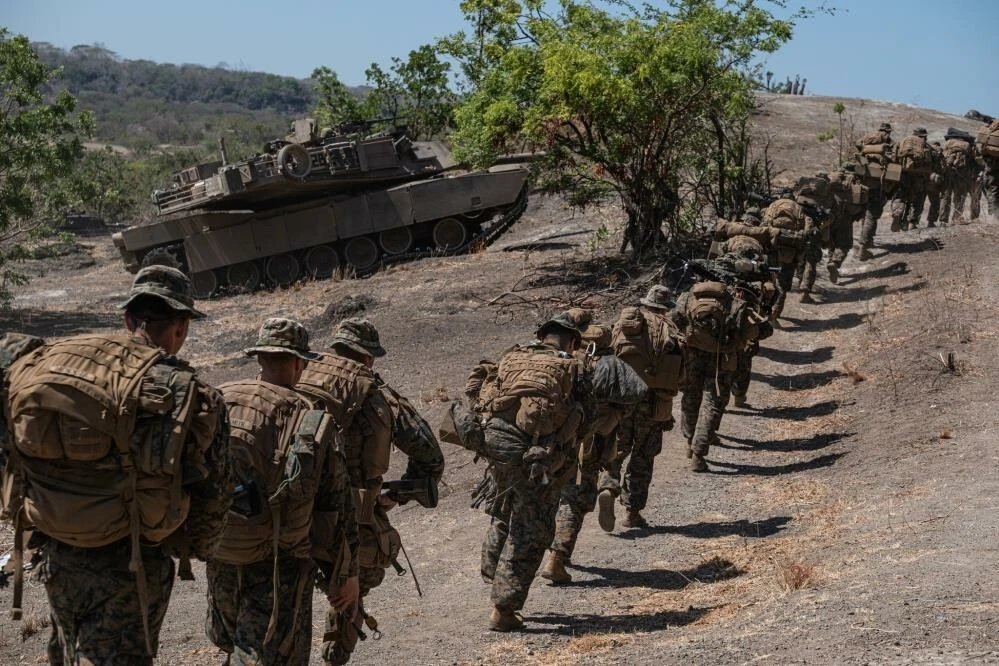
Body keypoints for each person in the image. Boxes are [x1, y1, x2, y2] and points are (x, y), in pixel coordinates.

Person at [1, 265, 231, 665]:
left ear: (128, 318)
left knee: (68, 650)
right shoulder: (188, 390)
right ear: (181, 326)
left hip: (58, 551)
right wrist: (195, 548)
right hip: (134, 562)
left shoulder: (53, 363)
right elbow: (214, 493)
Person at [206, 318, 359, 665]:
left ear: (260, 357)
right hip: (280, 561)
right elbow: (336, 506)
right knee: (275, 651)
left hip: (222, 548)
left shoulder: (220, 400)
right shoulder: (309, 419)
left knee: (234, 643)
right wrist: (346, 576)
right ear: (297, 362)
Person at [464, 313, 587, 631]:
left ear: (542, 335)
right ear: (571, 341)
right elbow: (586, 415)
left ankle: (494, 570)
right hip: (535, 457)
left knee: (505, 508)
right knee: (532, 530)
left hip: (495, 446)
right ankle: (503, 610)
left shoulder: (512, 355)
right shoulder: (572, 366)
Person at [295, 318, 395, 666]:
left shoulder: (298, 371)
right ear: (368, 357)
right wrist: (403, 491)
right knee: (354, 578)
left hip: (288, 505)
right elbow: (426, 449)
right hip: (344, 509)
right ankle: (335, 654)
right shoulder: (370, 388)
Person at [541, 316, 647, 583]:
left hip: (554, 442)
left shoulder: (564, 361)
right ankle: (557, 558)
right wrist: (615, 413)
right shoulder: (612, 365)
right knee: (576, 500)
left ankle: (547, 547)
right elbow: (637, 392)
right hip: (591, 443)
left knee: (556, 496)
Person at [672, 264, 771, 472]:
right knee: (713, 403)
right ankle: (699, 454)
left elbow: (675, 320)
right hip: (722, 360)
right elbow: (759, 332)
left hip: (692, 355)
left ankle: (690, 441)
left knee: (690, 396)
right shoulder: (734, 302)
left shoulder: (688, 297)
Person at [603, 286, 684, 528]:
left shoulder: (624, 322)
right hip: (653, 402)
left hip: (621, 399)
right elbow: (681, 372)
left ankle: (608, 485)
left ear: (646, 303)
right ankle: (632, 512)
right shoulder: (670, 328)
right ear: (665, 306)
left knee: (617, 448)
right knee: (643, 457)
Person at [856, 122, 897, 259]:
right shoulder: (890, 141)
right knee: (872, 215)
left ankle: (869, 240)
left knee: (865, 213)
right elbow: (895, 159)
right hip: (878, 184)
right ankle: (864, 246)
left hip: (863, 182)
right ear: (888, 131)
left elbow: (857, 148)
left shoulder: (866, 137)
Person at [890, 127, 932, 231]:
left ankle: (897, 213)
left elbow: (894, 156)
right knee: (915, 199)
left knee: (900, 195)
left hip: (903, 173)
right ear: (923, 136)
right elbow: (929, 160)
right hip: (918, 175)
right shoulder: (924, 144)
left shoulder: (903, 141)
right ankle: (910, 223)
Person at [940, 131, 978, 225]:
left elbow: (941, 156)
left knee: (946, 196)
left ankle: (943, 221)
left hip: (947, 172)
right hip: (961, 174)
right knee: (960, 196)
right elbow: (973, 160)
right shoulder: (967, 145)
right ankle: (956, 218)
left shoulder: (948, 143)